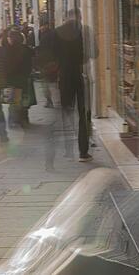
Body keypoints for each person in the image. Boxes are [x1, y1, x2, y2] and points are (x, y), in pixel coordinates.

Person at [54, 9, 92, 162]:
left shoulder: (56, 32)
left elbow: (51, 55)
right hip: (78, 75)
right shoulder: (82, 31)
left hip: (63, 77)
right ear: (79, 17)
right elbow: (90, 53)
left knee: (66, 111)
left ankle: (68, 150)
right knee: (82, 114)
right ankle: (83, 151)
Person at [4, 29, 34, 128]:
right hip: (24, 78)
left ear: (11, 39)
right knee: (24, 98)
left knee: (14, 100)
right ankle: (24, 119)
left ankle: (14, 120)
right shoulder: (27, 49)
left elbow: (6, 66)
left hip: (12, 79)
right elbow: (31, 63)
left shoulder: (8, 50)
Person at [36, 24, 58, 108]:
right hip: (54, 61)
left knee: (45, 82)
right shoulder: (54, 34)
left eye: (41, 26)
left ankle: (49, 100)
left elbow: (42, 51)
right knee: (55, 82)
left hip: (45, 63)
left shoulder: (44, 37)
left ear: (44, 26)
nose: (40, 28)